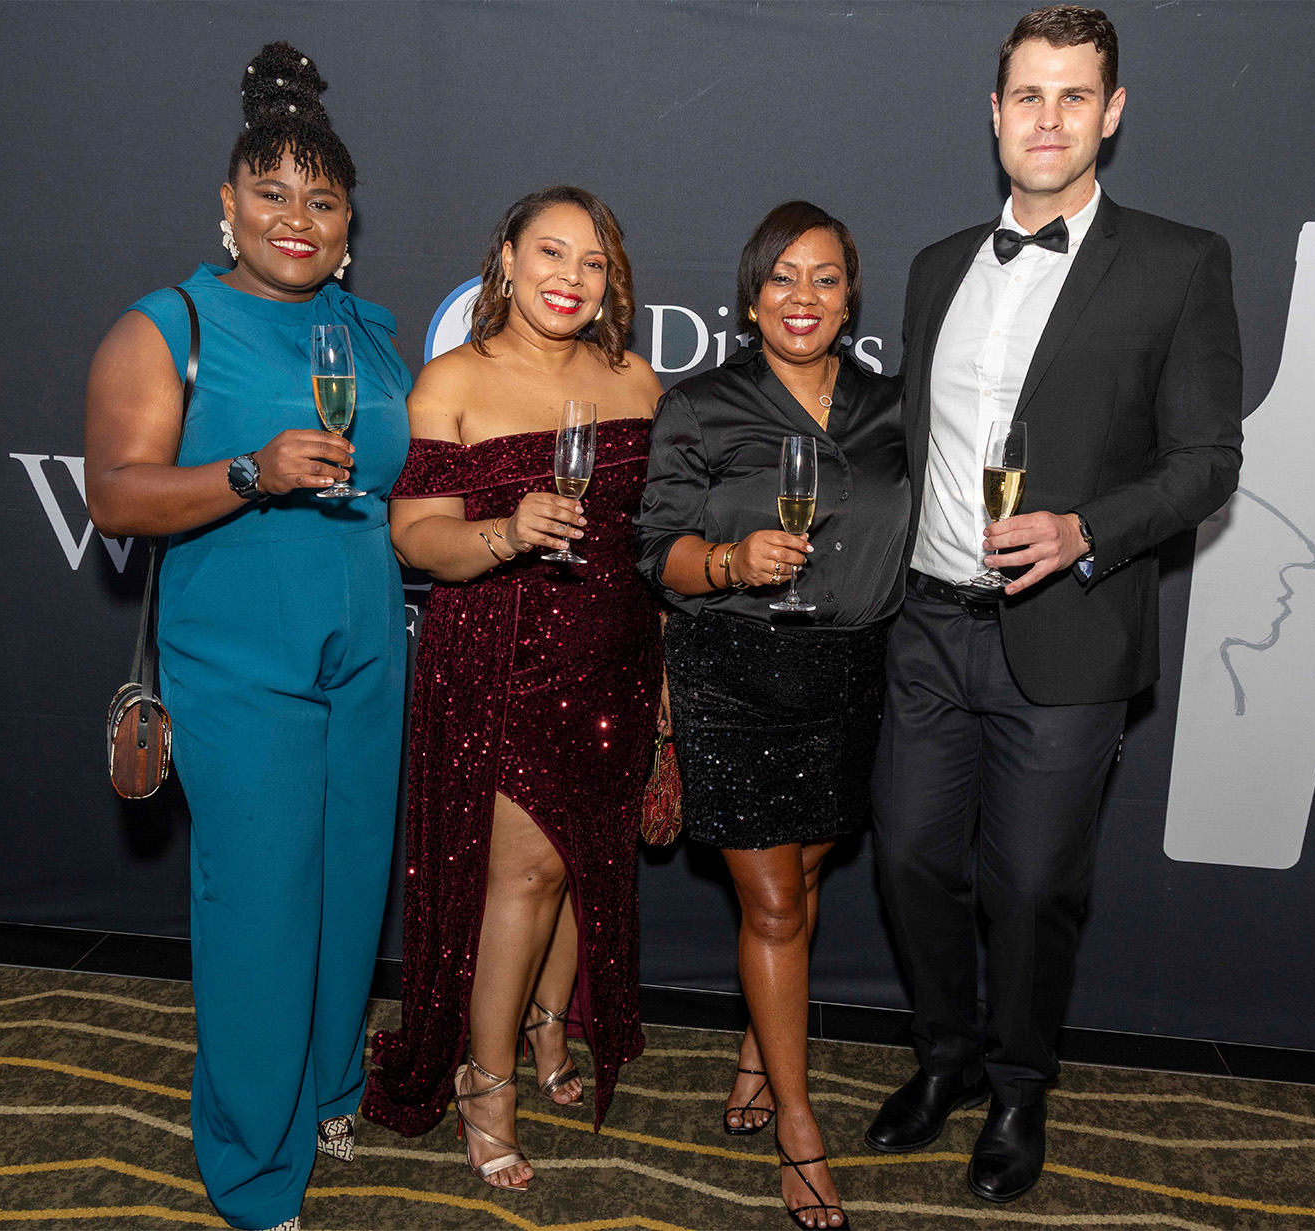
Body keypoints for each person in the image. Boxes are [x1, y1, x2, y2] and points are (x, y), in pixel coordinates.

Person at [867, 4, 1243, 1204]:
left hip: (1069, 633)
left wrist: (1087, 529)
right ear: (994, 113)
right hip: (929, 627)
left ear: (1111, 113)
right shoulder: (936, 267)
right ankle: (944, 1054)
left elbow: (1207, 461)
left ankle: (1019, 1086)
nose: (1047, 118)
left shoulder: (1180, 262)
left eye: (1073, 95)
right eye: (1026, 95)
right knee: (909, 860)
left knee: (1032, 890)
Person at [83, 42, 411, 1231]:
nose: (296, 218)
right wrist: (248, 471)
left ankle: (326, 1088)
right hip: (240, 664)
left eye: (321, 200)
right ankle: (254, 1169)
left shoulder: (368, 330)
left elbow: (397, 488)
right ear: (226, 203)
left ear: (348, 222)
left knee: (348, 888)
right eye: (271, 192)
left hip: (368, 654)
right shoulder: (167, 324)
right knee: (261, 909)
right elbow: (115, 495)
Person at [360, 186, 664, 1192]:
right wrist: (506, 531)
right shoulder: (454, 378)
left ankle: (546, 1025)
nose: (570, 277)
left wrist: (664, 667)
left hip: (617, 654)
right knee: (525, 875)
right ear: (506, 258)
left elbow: (653, 541)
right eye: (550, 252)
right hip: (502, 661)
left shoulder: (638, 380)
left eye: (592, 260)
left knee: (584, 859)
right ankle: (482, 1084)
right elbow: (417, 536)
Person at [636, 201, 906, 1231]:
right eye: (782, 278)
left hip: (852, 673)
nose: (803, 297)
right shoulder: (700, 407)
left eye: (825, 278)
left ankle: (760, 1042)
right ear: (750, 299)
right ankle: (799, 1123)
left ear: (850, 297)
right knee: (777, 904)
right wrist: (728, 560)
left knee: (807, 868)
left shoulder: (894, 407)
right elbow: (656, 552)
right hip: (735, 670)